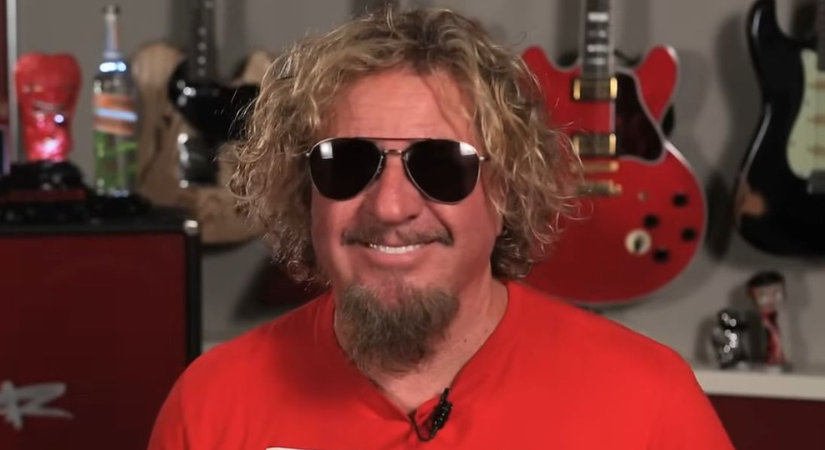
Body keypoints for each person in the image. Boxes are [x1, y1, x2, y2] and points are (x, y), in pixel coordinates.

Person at [147, 6, 734, 449]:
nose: (390, 207)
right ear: (307, 193)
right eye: (348, 164)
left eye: (441, 166)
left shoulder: (649, 402)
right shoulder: (211, 405)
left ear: (504, 191)